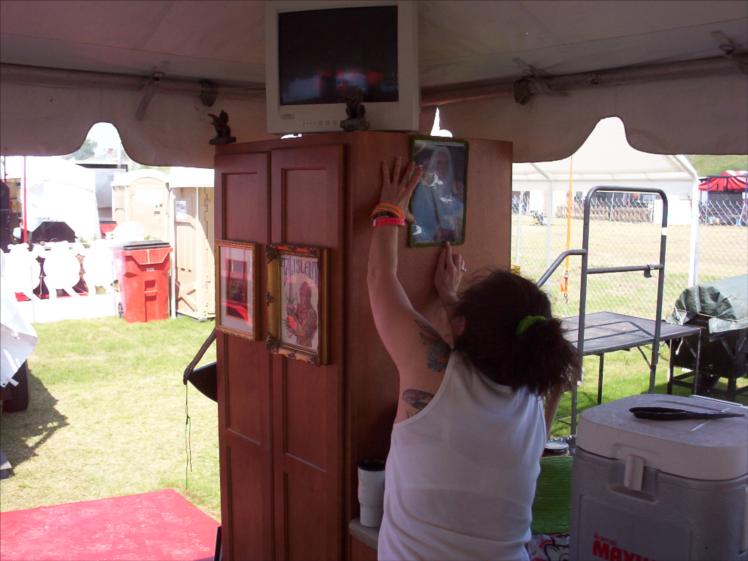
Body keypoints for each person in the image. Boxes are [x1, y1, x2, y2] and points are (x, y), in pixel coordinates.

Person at [367, 158, 580, 561]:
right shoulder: (536, 400)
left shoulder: (431, 372)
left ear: (463, 326)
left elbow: (381, 282)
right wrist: (451, 300)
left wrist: (390, 208)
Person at [409, 146, 465, 244]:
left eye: (446, 163)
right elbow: (416, 223)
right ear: (433, 165)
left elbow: (462, 215)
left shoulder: (456, 188)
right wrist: (434, 233)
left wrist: (459, 196)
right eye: (439, 163)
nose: (442, 167)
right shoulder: (424, 190)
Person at [285, 281, 318, 347]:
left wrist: (292, 316)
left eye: (307, 296)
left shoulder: (312, 313)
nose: (304, 299)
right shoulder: (299, 309)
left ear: (310, 297)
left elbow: (303, 333)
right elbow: (290, 333)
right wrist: (289, 316)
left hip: (306, 348)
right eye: (302, 295)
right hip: (297, 346)